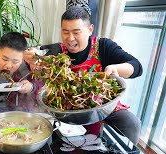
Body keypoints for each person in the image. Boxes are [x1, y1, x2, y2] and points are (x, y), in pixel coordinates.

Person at [24, 6, 143, 144]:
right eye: (65, 32)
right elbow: (38, 61)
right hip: (67, 108)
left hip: (103, 106)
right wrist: (33, 59)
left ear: (90, 29)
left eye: (76, 32)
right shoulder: (57, 51)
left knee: (131, 123)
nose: (70, 38)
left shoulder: (103, 46)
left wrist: (116, 68)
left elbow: (136, 66)